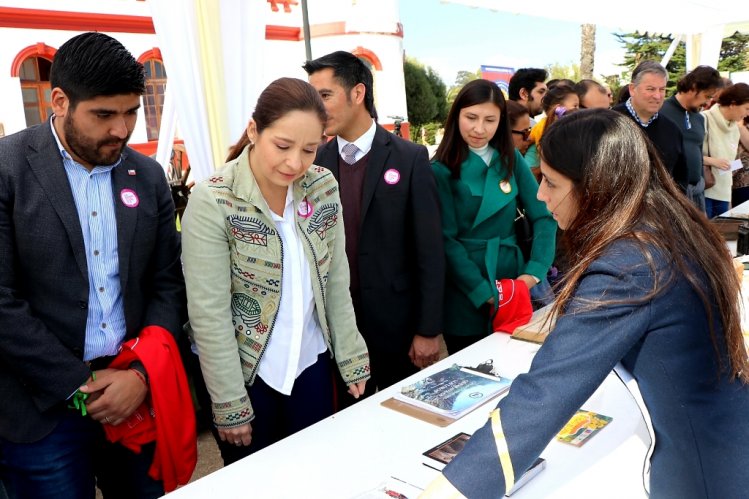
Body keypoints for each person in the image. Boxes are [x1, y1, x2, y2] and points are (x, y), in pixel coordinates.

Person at [420, 109, 749, 499]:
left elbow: (545, 392)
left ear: (595, 188)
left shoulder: (629, 265)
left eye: (552, 184)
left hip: (701, 472)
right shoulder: (668, 224)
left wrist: (450, 491)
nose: (541, 196)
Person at [0, 32, 188, 498]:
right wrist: (77, 383)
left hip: (133, 396)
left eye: (131, 112)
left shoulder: (146, 177)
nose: (122, 131)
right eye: (104, 115)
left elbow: (167, 284)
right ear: (60, 101)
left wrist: (141, 375)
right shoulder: (8, 170)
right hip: (40, 409)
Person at [181, 78, 371, 465]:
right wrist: (229, 400)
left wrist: (351, 357)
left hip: (310, 364)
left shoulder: (321, 186)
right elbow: (209, 312)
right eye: (282, 146)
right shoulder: (215, 198)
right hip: (249, 373)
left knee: (317, 475)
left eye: (309, 149)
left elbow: (336, 278)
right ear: (254, 130)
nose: (295, 163)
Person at [303, 51, 445, 394]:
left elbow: (429, 250)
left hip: (399, 329)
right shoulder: (313, 164)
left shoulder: (409, 158)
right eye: (313, 98)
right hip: (339, 331)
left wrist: (428, 329)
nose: (317, 109)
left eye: (325, 96)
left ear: (357, 93)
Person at [431, 79, 556, 353]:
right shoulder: (440, 168)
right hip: (465, 290)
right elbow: (446, 240)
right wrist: (482, 292)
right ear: (456, 116)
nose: (479, 128)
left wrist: (534, 272)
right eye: (471, 117)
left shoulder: (510, 157)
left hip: (514, 282)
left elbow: (544, 215)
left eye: (490, 120)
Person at [613, 60, 688, 192]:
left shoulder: (672, 130)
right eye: (650, 89)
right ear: (632, 89)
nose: (657, 96)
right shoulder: (609, 122)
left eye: (662, 89)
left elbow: (680, 176)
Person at [659, 65, 723, 212]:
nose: (707, 103)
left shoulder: (700, 119)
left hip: (697, 194)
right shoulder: (661, 112)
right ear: (694, 87)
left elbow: (698, 154)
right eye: (707, 96)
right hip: (671, 196)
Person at [702, 82, 749, 218]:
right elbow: (689, 154)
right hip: (706, 190)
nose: (747, 114)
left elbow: (730, 164)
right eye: (746, 108)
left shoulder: (735, 127)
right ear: (733, 104)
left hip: (724, 192)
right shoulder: (705, 119)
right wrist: (712, 161)